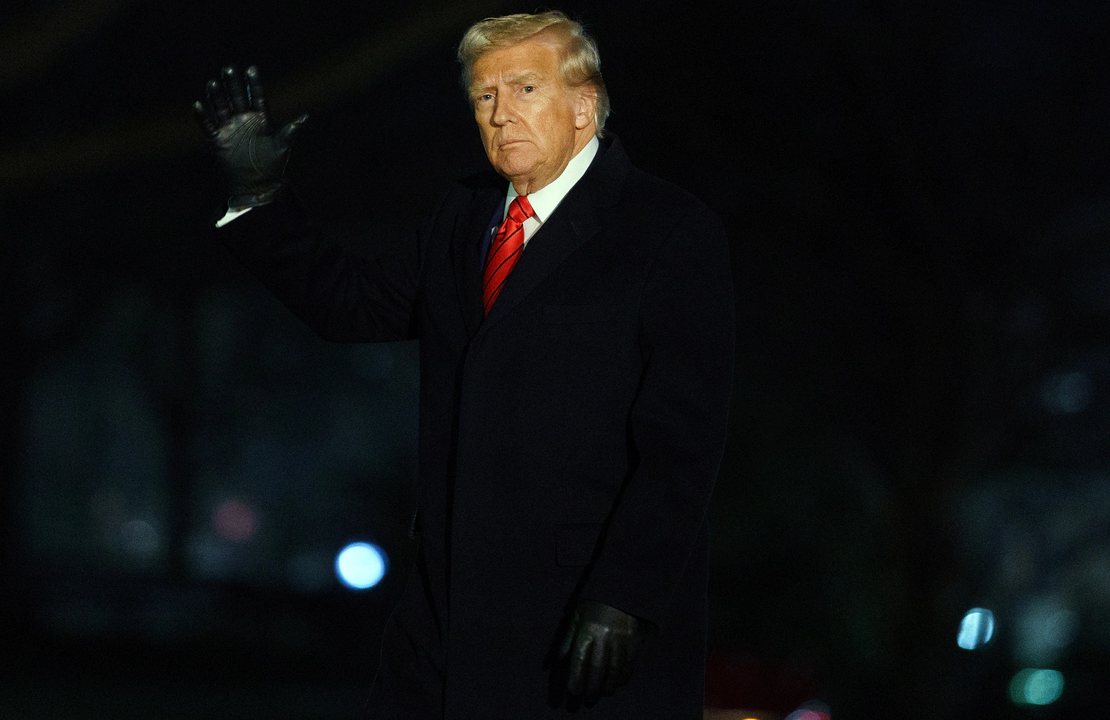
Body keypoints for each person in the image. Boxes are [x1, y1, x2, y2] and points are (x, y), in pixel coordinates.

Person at [193, 11, 733, 719]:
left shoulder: (667, 231)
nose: (501, 113)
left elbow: (681, 447)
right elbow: (349, 305)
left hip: (582, 623)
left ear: (584, 105)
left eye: (525, 88)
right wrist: (260, 199)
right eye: (485, 95)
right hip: (444, 619)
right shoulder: (464, 215)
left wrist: (625, 596)